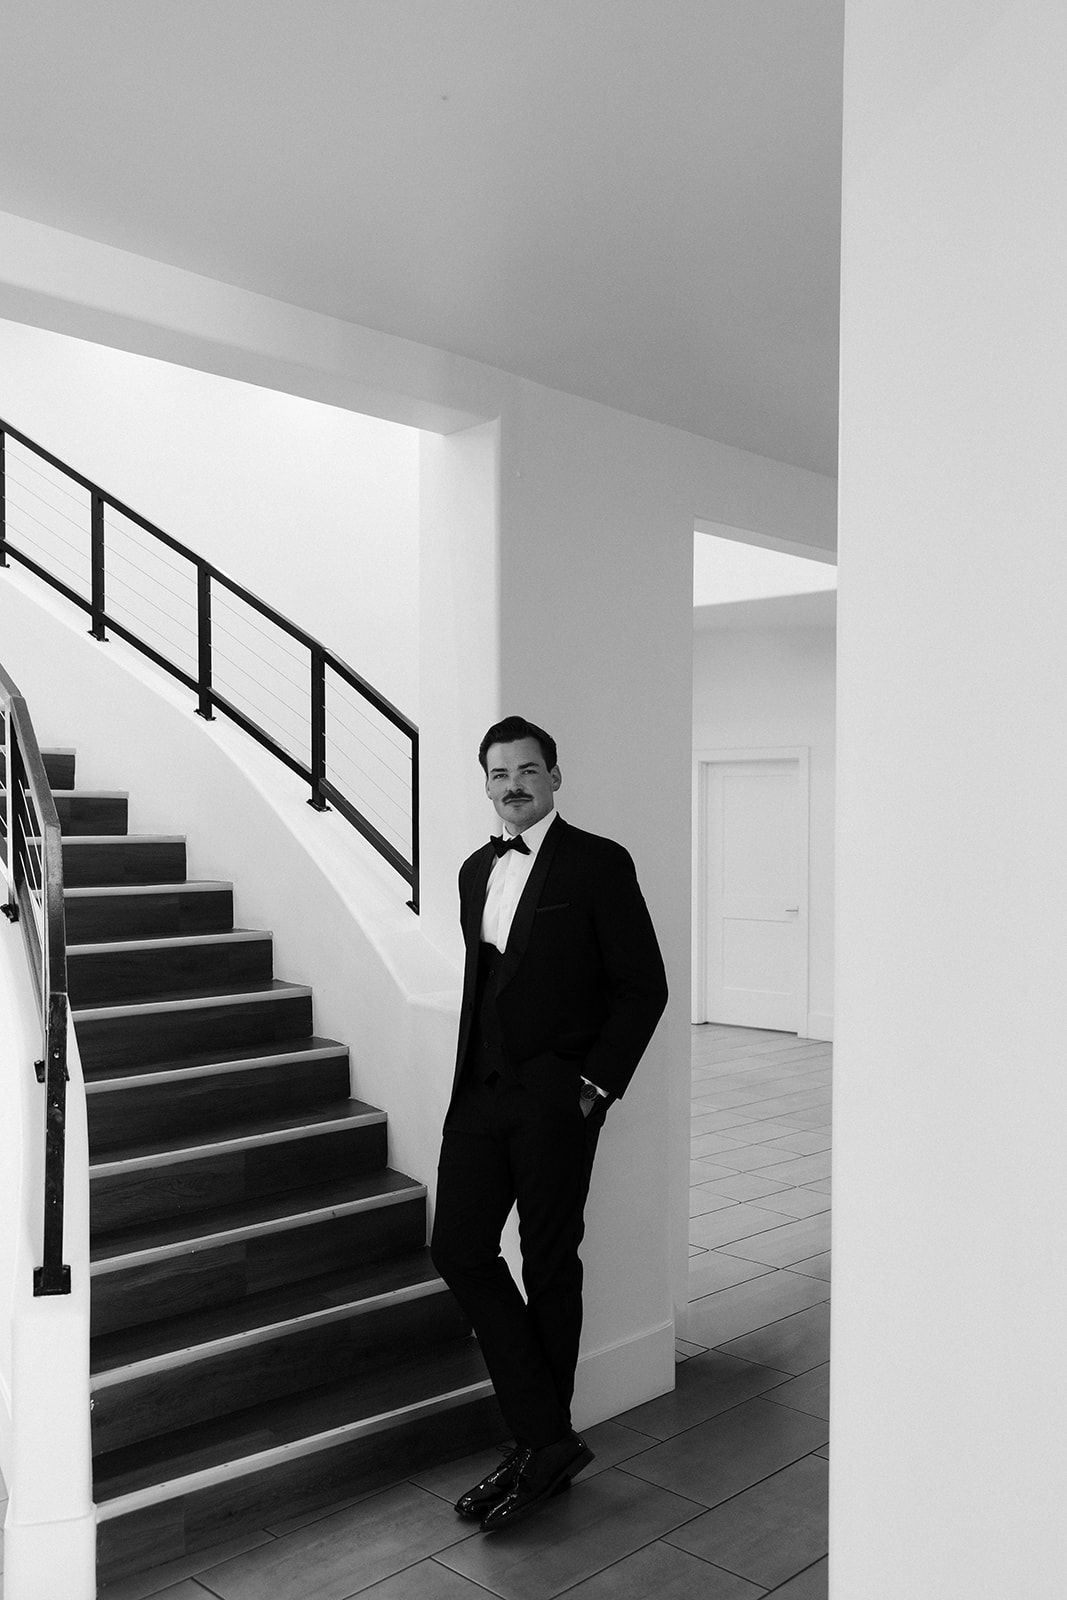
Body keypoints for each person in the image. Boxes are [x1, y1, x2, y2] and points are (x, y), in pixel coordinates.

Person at [430, 714, 668, 1533]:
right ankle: (546, 1438)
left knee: (547, 1262)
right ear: (486, 785)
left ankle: (540, 1448)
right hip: (480, 1094)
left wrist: (593, 1087)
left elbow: (644, 986)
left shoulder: (599, 863)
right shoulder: (472, 871)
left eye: (528, 770)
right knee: (457, 1247)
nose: (513, 785)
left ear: (555, 777)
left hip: (557, 1100)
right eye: (499, 774)